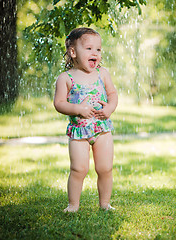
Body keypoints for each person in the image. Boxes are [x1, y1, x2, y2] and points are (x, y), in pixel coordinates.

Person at [54, 27, 118, 212]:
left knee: (105, 168)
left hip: (102, 128)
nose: (95, 53)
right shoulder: (65, 78)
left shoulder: (102, 73)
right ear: (73, 52)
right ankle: (73, 205)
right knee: (78, 169)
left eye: (98, 49)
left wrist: (110, 108)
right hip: (79, 131)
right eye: (89, 49)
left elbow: (113, 94)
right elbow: (59, 103)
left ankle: (105, 203)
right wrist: (78, 108)